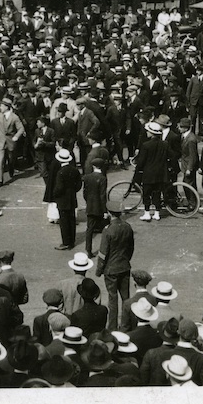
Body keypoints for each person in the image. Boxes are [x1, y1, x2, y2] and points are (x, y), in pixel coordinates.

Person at [95, 197, 134, 331]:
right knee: (126, 298)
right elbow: (130, 248)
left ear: (110, 213)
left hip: (111, 269)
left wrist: (99, 270)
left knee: (112, 299)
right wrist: (125, 260)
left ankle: (112, 326)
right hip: (124, 266)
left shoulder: (108, 230)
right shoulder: (127, 227)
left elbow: (103, 253)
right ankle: (126, 324)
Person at [133, 121, 168, 222]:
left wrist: (138, 168)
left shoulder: (146, 145)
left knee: (146, 193)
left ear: (151, 133)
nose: (147, 133)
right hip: (160, 173)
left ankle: (147, 213)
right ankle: (157, 213)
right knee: (157, 193)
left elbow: (142, 161)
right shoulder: (164, 144)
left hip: (148, 173)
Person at [52, 149, 82, 251]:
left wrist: (55, 195)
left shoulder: (60, 172)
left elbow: (59, 188)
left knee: (64, 222)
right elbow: (78, 185)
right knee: (71, 220)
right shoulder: (75, 170)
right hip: (72, 198)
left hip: (62, 200)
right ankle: (71, 241)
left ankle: (66, 242)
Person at [81, 157, 108, 257]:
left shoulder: (87, 177)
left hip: (90, 207)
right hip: (100, 208)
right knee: (105, 229)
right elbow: (102, 196)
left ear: (93, 166)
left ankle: (88, 250)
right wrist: (105, 210)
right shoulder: (102, 178)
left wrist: (88, 202)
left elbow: (85, 193)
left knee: (89, 229)